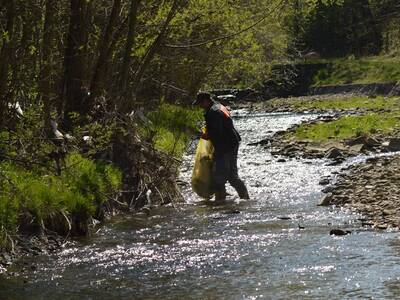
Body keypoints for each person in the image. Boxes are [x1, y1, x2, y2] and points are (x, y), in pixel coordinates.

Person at [193, 92, 249, 202]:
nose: (200, 106)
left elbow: (217, 132)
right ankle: (245, 198)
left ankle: (220, 202)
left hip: (225, 145)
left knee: (218, 176)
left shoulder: (213, 112)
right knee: (232, 176)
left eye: (200, 104)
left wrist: (203, 135)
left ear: (206, 101)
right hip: (232, 142)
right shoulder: (219, 106)